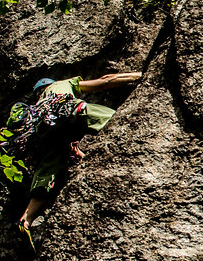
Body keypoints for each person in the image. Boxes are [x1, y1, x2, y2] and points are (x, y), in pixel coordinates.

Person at [15, 72, 142, 237]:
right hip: (66, 110)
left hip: (44, 132)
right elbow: (104, 82)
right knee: (117, 119)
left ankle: (26, 219)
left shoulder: (37, 109)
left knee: (47, 170)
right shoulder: (61, 84)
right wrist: (138, 76)